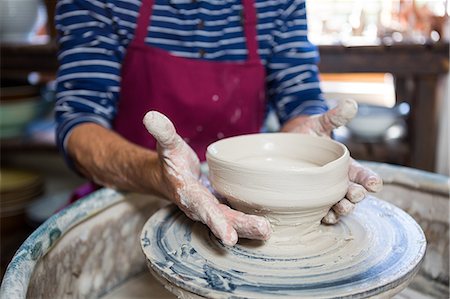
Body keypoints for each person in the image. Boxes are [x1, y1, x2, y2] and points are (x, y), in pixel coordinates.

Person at [55, 0, 382, 246]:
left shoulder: (278, 4)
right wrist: (160, 175)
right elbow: (79, 124)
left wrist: (308, 147)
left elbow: (300, 99)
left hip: (243, 207)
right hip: (134, 199)